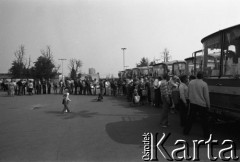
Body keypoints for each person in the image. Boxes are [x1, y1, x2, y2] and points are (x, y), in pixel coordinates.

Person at [183, 71, 210, 139]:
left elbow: (188, 92)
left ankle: (186, 131)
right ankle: (206, 135)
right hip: (202, 104)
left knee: (190, 118)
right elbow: (206, 96)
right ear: (202, 76)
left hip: (193, 103)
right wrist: (208, 105)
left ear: (196, 76)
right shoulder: (204, 84)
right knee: (204, 120)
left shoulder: (191, 82)